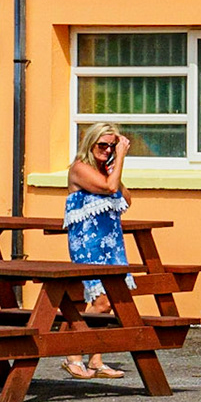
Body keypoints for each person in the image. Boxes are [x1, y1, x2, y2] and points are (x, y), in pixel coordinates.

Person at [64, 122, 132, 378]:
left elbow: (126, 199)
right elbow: (109, 189)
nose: (108, 150)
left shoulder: (107, 172)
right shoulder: (80, 168)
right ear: (90, 144)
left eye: (113, 146)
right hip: (88, 242)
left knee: (111, 299)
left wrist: (116, 168)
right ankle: (73, 354)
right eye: (102, 145)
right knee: (100, 301)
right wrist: (121, 158)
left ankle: (95, 360)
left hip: (111, 242)